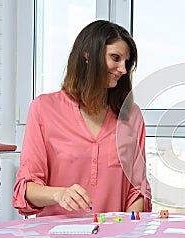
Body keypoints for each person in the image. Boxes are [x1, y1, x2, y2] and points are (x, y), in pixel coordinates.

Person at [12, 20, 152, 217]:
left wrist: (128, 232)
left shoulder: (130, 115)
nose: (122, 68)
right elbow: (26, 189)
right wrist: (59, 194)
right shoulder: (44, 109)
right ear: (87, 54)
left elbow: (137, 190)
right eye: (115, 58)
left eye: (126, 62)